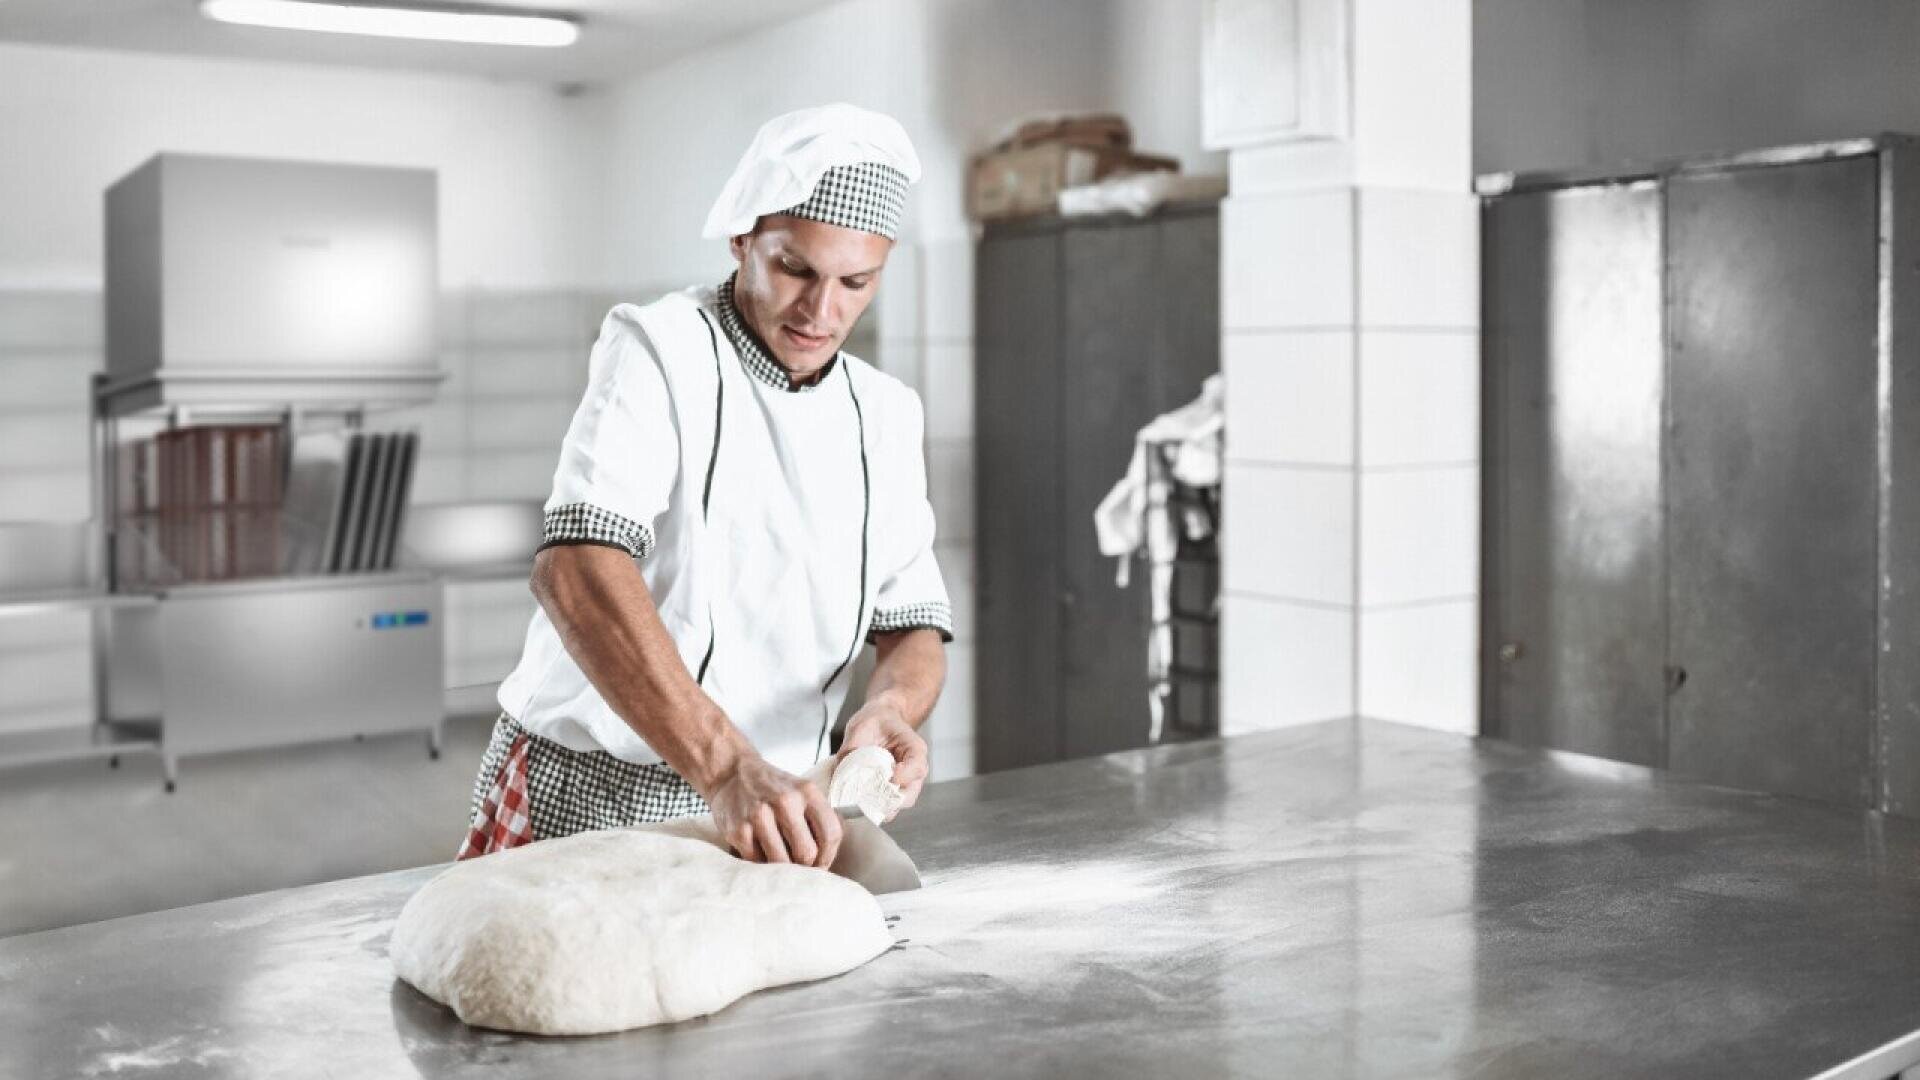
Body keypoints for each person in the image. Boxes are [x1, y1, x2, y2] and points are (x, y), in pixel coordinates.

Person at [458, 103, 952, 871]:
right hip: (597, 786)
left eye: (856, 281)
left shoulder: (884, 412)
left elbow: (913, 621)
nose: (822, 311)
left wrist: (889, 706)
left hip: (782, 806)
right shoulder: (661, 347)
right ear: (743, 238)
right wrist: (724, 768)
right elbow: (576, 568)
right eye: (795, 269)